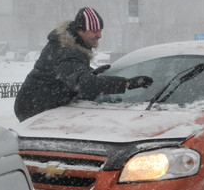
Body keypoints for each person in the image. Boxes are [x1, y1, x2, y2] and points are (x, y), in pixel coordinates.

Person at [14, 7, 153, 122]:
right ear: (80, 30)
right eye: (94, 31)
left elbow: (70, 74)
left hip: (41, 104)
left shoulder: (69, 46)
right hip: (35, 108)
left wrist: (91, 72)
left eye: (100, 30)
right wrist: (126, 83)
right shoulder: (67, 51)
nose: (99, 35)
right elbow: (83, 84)